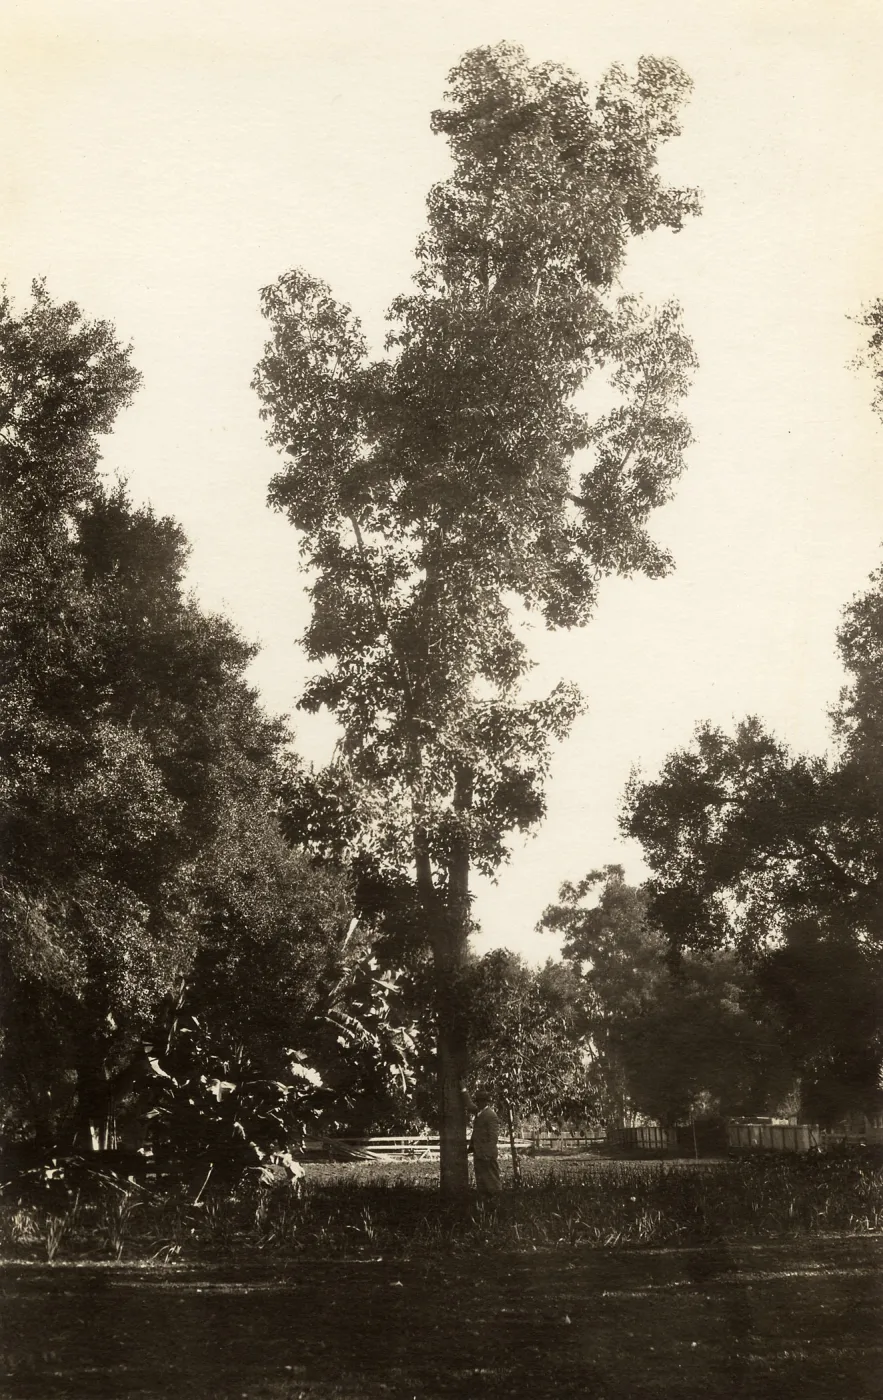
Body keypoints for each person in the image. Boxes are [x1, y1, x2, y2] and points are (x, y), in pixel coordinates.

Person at [467, 1086, 501, 1201]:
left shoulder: (491, 1115)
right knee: (481, 1179)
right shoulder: (479, 1112)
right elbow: (469, 1104)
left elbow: (493, 1137)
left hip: (487, 1154)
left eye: (481, 1101)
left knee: (492, 1179)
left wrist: (487, 1153)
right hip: (479, 1152)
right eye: (478, 1101)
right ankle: (485, 1202)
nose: (479, 1103)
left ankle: (496, 1202)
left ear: (486, 1102)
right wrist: (463, 1089)